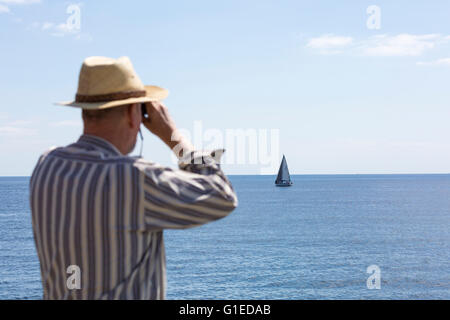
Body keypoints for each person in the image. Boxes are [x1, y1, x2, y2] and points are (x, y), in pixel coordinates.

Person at [29, 56, 238, 300]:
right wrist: (176, 140)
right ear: (133, 113)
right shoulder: (134, 178)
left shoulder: (47, 165)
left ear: (84, 112)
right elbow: (221, 196)